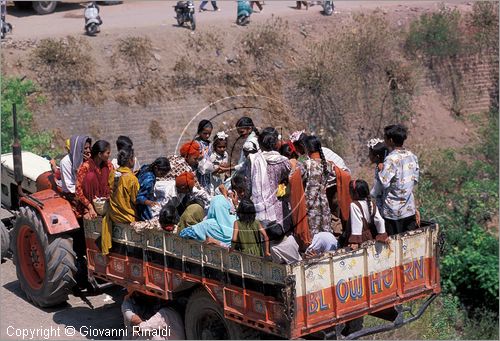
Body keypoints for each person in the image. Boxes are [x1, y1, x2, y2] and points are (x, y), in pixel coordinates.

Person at [378, 124, 420, 235]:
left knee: (394, 246)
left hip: (392, 213)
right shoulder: (412, 156)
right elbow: (415, 180)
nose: (384, 141)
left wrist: (380, 170)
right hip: (408, 210)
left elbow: (384, 182)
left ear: (391, 140)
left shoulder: (391, 159)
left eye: (385, 138)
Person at [246, 127, 291, 229]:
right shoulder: (283, 162)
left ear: (260, 144)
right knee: (278, 237)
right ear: (276, 143)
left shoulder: (253, 159)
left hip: (258, 207)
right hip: (277, 207)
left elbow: (248, 186)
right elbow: (286, 181)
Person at [293, 135, 334, 237]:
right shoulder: (328, 164)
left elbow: (293, 177)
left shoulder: (306, 164)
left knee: (312, 235)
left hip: (310, 205)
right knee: (325, 232)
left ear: (307, 148)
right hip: (324, 204)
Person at [102, 148, 140, 254]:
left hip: (114, 214)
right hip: (126, 216)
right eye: (133, 158)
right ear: (129, 161)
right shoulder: (132, 179)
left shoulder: (113, 173)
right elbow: (135, 200)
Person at [76, 140, 113, 219]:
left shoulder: (108, 165)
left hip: (106, 201)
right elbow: (78, 190)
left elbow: (113, 184)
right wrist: (90, 207)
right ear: (100, 154)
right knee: (91, 176)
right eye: (108, 153)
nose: (109, 155)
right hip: (89, 203)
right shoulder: (85, 167)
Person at [346, 179, 388, 249]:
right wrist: (382, 235)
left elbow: (357, 223)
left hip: (360, 239)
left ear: (355, 193)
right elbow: (380, 220)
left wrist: (355, 242)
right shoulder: (371, 204)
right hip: (370, 236)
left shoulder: (354, 205)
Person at [367, 138, 388, 215]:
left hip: (384, 206)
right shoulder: (379, 167)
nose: (369, 155)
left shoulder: (381, 169)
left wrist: (368, 196)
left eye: (370, 153)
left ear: (377, 156)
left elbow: (376, 190)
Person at [194, 120, 213, 191]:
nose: (207, 136)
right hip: (198, 171)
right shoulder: (196, 143)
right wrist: (199, 158)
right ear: (199, 132)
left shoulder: (209, 144)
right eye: (205, 133)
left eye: (209, 133)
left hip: (207, 172)